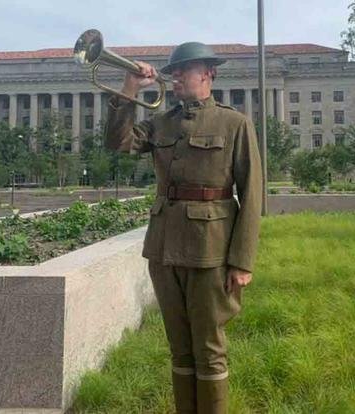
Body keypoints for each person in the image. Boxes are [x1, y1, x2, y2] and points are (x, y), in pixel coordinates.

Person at [104, 41, 262, 414]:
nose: (174, 76)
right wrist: (128, 89)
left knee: (209, 350)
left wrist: (242, 261)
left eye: (184, 70)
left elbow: (252, 193)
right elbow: (117, 143)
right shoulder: (161, 121)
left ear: (208, 74)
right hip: (164, 249)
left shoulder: (234, 123)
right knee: (180, 347)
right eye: (173, 70)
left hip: (211, 251)